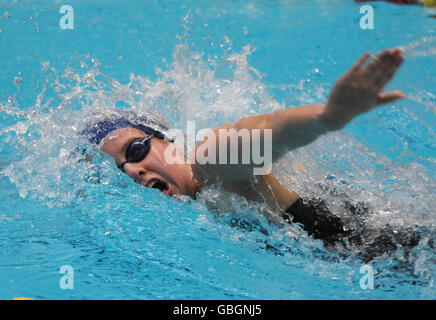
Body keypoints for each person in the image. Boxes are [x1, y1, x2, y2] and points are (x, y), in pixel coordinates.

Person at [84, 48, 416, 254]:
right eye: (120, 167)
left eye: (137, 149)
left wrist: (329, 117)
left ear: (167, 140)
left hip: (398, 248)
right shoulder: (200, 205)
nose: (132, 170)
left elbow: (265, 133)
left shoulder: (210, 166)